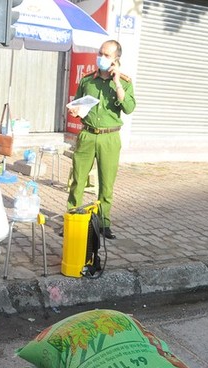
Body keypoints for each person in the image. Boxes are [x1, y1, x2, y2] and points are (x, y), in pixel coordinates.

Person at [67, 40, 135, 240]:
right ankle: (72, 218)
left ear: (116, 59)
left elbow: (129, 108)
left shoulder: (125, 82)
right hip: (87, 135)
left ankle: (104, 223)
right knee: (78, 180)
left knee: (107, 184)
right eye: (100, 53)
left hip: (110, 137)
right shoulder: (87, 81)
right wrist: (75, 111)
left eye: (107, 55)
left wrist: (117, 83)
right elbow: (77, 106)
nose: (102, 58)